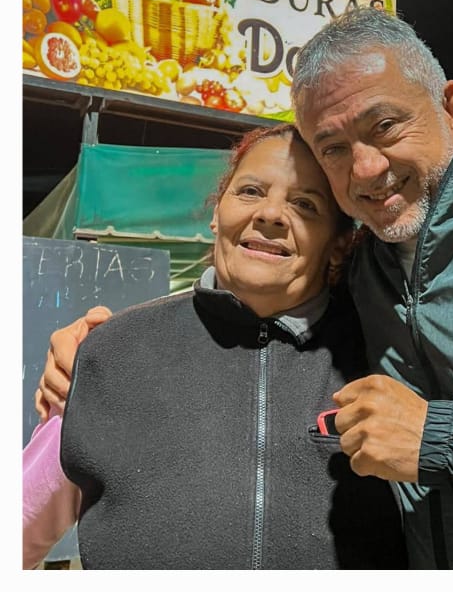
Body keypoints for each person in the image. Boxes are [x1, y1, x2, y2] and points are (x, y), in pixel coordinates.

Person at [38, 8, 453, 570]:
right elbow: (254, 300)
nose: (364, 169)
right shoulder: (364, 264)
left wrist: (446, 439)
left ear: (450, 107)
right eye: (332, 148)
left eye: (384, 127)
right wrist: (102, 345)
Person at [24, 124, 404, 569]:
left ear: (338, 243)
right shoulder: (111, 352)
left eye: (305, 204)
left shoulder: (386, 358)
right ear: (216, 213)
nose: (271, 214)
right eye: (250, 191)